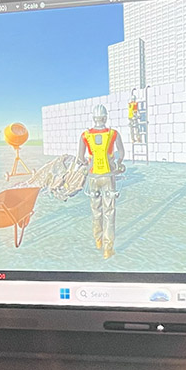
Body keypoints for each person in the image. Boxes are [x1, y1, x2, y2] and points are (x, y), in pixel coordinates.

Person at [78, 103, 125, 259]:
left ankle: (97, 240)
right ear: (105, 117)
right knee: (109, 213)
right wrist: (118, 163)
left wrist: (87, 164)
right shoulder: (113, 134)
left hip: (93, 178)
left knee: (96, 211)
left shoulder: (85, 136)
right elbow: (121, 153)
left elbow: (80, 158)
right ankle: (108, 248)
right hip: (108, 177)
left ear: (94, 118)